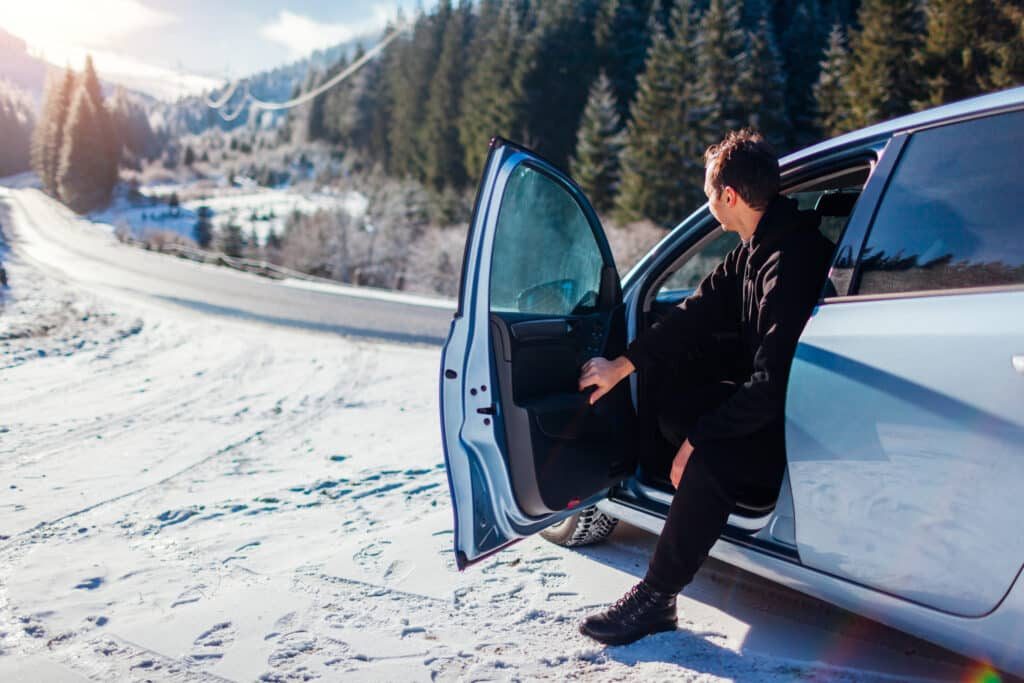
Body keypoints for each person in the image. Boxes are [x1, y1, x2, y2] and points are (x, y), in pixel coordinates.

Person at [576, 129, 835, 646]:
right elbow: (695, 312)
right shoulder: (756, 247)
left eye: (708, 192)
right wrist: (621, 366)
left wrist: (698, 442)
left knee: (712, 456)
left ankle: (657, 597)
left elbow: (770, 388)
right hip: (783, 405)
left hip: (802, 421)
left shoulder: (789, 263)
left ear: (729, 197)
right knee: (676, 403)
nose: (707, 200)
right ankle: (694, 497)